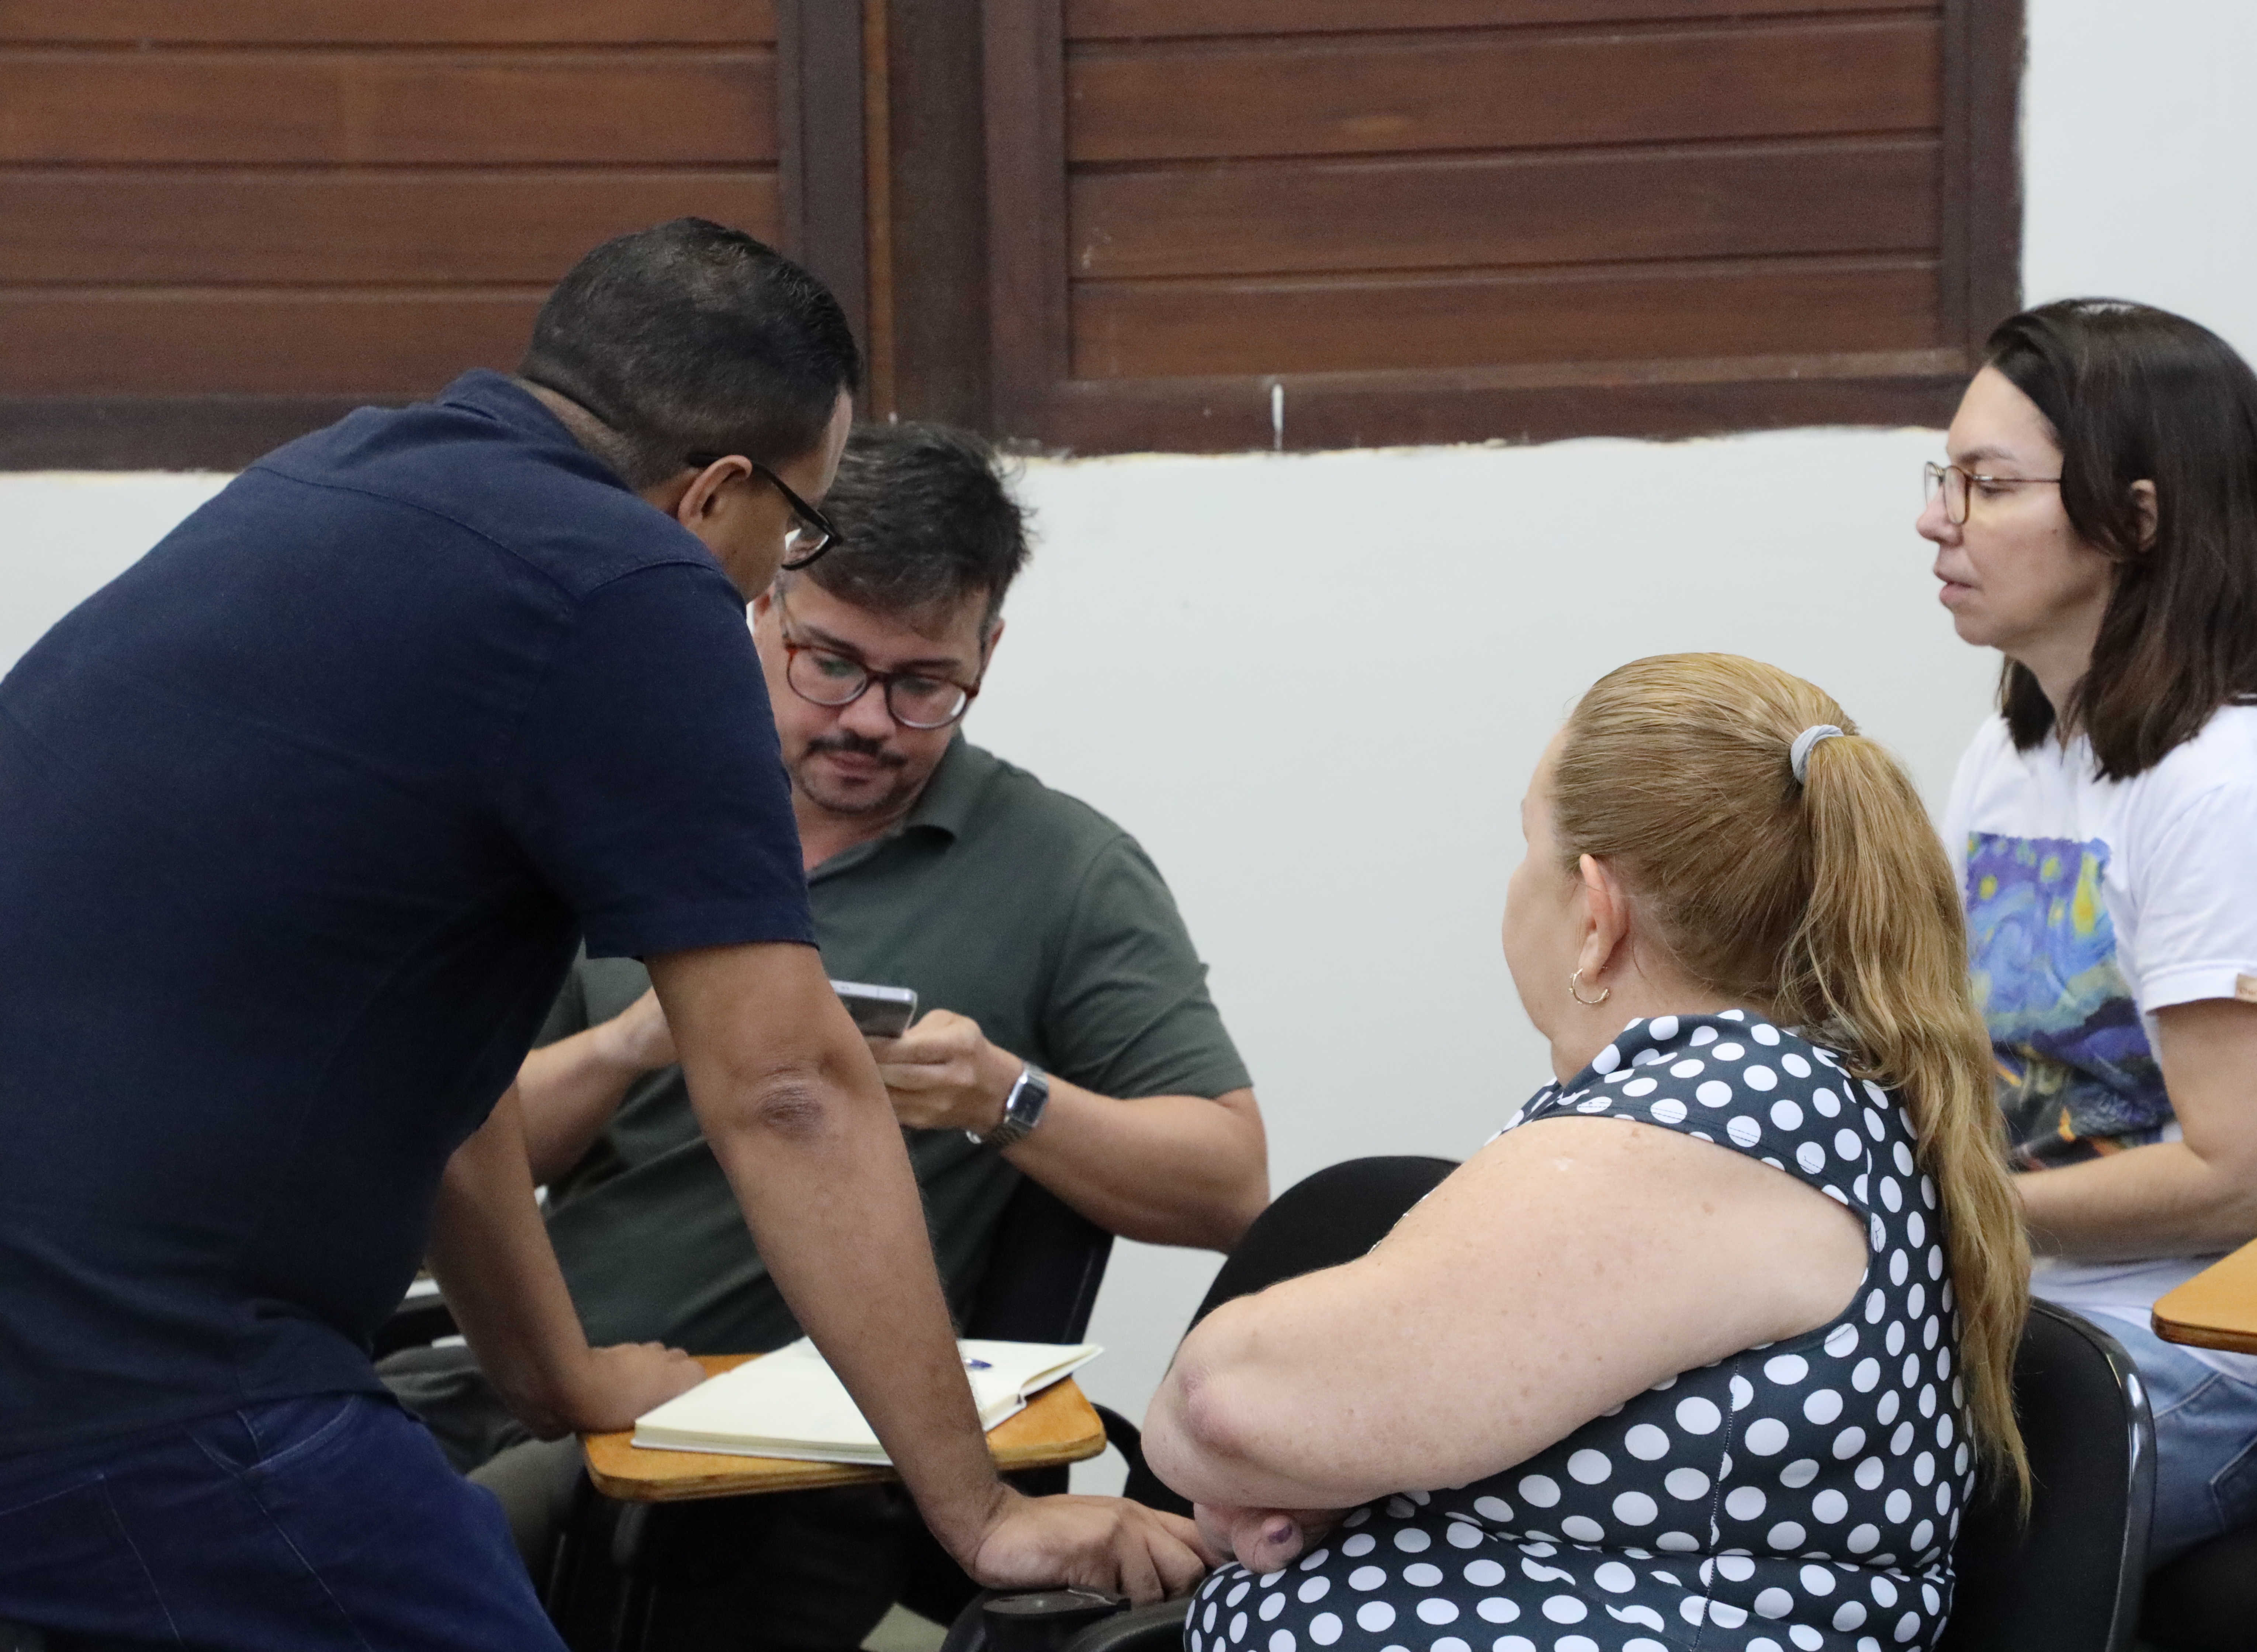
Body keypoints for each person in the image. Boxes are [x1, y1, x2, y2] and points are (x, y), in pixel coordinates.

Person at [0, 219, 1203, 1651]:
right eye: (799, 532)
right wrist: (984, 1515)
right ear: (712, 496)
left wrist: (559, 1379)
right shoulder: (632, 590)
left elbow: (445, 1100)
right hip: (147, 1378)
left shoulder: (335, 489)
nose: (773, 583)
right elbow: (789, 1087)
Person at [386, 418, 1265, 1647]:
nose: (868, 719)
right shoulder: (623, 817)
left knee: (419, 1564)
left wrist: (1006, 1099)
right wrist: (633, 1044)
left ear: (989, 652)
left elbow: (1230, 1184)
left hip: (790, 1452)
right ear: (759, 611)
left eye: (925, 686)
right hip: (521, 1365)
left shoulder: (1064, 872)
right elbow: (454, 1137)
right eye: (829, 665)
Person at [1141, 653, 2032, 1652]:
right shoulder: (1784, 1104)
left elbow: (1219, 1404)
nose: (1516, 885)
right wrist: (1318, 1468)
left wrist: (1281, 1459)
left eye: (1529, 848)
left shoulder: (1725, 1115)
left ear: (1596, 913)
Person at [1917, 297, 2257, 1567]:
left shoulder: (2229, 786)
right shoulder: (2016, 751)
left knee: (1844, 1499)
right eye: (1945, 480)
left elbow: (2245, 1175)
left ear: (2136, 520)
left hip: (2228, 1361)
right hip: (2048, 1313)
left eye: (1987, 486)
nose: (1938, 520)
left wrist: (1937, 1201)